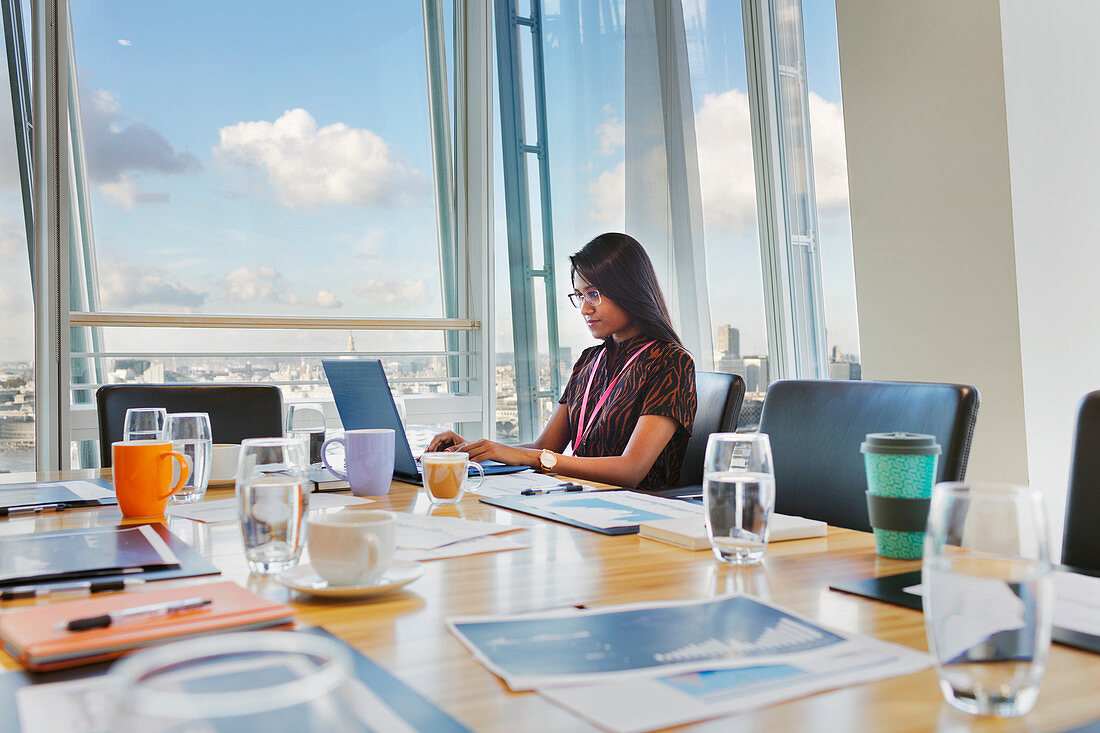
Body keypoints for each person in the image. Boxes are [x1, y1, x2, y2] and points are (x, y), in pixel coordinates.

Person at [426, 232, 697, 490]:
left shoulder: (671, 362)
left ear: (629, 290)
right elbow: (544, 448)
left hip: (640, 517)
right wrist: (477, 450)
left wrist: (535, 458)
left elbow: (631, 471)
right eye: (579, 295)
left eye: (593, 294)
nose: (584, 308)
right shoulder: (590, 360)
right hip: (582, 504)